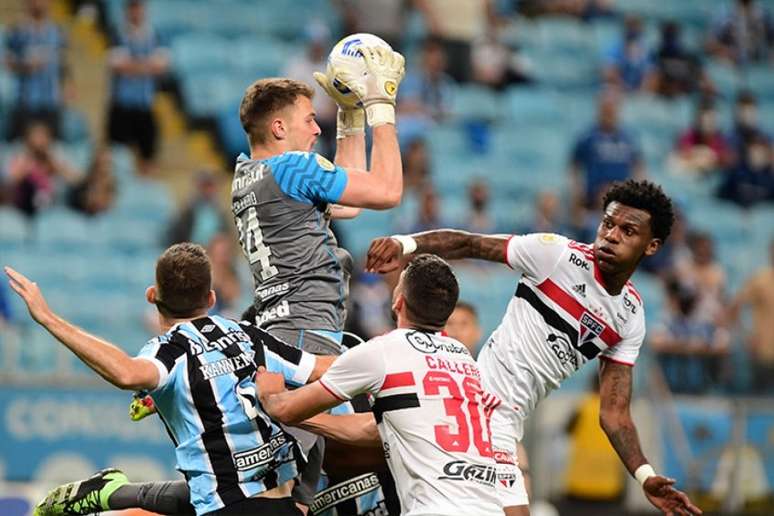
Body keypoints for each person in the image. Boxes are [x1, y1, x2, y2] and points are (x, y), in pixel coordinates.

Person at [365, 179, 702, 516]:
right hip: (481, 409)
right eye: (607, 223)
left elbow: (614, 414)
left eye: (628, 231)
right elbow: (471, 244)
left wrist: (644, 476)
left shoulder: (630, 316)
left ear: (652, 246)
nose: (612, 235)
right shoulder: (557, 256)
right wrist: (404, 243)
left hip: (506, 422)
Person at [8, 243, 335, 516]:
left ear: (152, 295)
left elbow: (126, 372)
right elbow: (325, 370)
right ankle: (114, 493)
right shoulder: (248, 335)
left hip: (228, 504)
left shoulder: (169, 353)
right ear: (210, 298)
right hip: (276, 498)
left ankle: (114, 493)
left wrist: (48, 318)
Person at [232, 46, 405, 511]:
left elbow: (346, 200)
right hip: (308, 336)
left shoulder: (250, 174)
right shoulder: (291, 167)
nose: (317, 128)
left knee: (289, 490)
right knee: (283, 498)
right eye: (310, 119)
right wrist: (379, 108)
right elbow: (386, 191)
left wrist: (349, 115)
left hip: (286, 331)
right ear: (279, 127)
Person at [255, 254, 505, 515]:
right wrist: (312, 421)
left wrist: (272, 395)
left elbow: (287, 410)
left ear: (398, 301)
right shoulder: (464, 360)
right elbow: (376, 428)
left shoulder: (384, 351)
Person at [106, 0, 169, 175]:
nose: (136, 12)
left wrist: (133, 66)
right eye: (132, 8)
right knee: (116, 156)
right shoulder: (117, 33)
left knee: (148, 156)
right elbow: (117, 64)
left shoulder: (155, 34)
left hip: (145, 105)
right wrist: (146, 66)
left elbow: (162, 65)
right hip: (121, 105)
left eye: (138, 7)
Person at [569, 90, 645, 226]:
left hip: (623, 201)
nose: (609, 113)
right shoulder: (588, 137)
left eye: (612, 109)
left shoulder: (628, 138)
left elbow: (638, 166)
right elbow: (574, 166)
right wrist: (578, 195)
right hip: (593, 202)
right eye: (606, 109)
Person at [4, 0, 68, 140]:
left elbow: (63, 64)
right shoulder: (17, 32)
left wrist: (66, 86)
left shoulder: (57, 31)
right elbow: (7, 62)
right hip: (25, 102)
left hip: (50, 103)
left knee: (52, 149)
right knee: (20, 149)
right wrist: (24, 64)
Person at [728, 240, 774, 394]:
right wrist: (745, 336)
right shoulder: (760, 280)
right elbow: (734, 307)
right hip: (763, 354)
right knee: (758, 403)